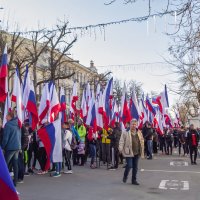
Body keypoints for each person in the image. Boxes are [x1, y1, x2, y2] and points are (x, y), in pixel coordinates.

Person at [119, 119, 144, 185]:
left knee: (135, 167)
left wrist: (142, 149)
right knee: (129, 165)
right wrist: (120, 148)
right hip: (129, 152)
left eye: (135, 124)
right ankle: (125, 176)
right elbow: (121, 141)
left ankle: (134, 180)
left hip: (137, 152)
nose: (134, 126)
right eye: (132, 124)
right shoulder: (125, 132)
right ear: (130, 125)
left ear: (136, 125)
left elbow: (141, 140)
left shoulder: (139, 132)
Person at [1, 112, 21, 187]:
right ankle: (15, 181)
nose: (5, 118)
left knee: (4, 164)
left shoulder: (8, 125)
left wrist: (2, 147)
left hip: (10, 147)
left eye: (6, 116)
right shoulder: (18, 124)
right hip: (17, 147)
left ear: (10, 116)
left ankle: (4, 181)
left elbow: (5, 138)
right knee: (15, 164)